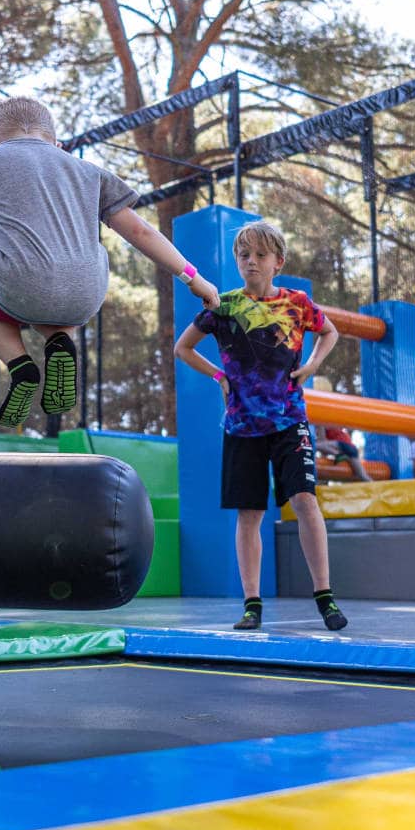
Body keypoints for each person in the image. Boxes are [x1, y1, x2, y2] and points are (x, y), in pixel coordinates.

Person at [0, 97, 220, 427]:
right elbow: (142, 232)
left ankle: (20, 366)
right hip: (84, 297)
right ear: (55, 141)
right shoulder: (87, 171)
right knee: (61, 281)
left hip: (19, 287)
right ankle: (61, 340)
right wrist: (194, 278)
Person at [173, 220, 347, 632]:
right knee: (249, 513)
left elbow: (330, 331)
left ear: (278, 262)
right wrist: (220, 377)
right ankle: (252, 603)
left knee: (304, 500)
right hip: (241, 425)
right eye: (243, 255)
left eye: (260, 255)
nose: (251, 261)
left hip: (290, 420)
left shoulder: (297, 302)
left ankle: (324, 595)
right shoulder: (222, 305)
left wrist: (313, 365)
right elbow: (182, 348)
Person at [307, 377, 371, 482]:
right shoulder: (331, 417)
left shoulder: (321, 418)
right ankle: (379, 492)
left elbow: (322, 441)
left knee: (312, 444)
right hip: (351, 448)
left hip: (342, 446)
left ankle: (339, 455)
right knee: (362, 475)